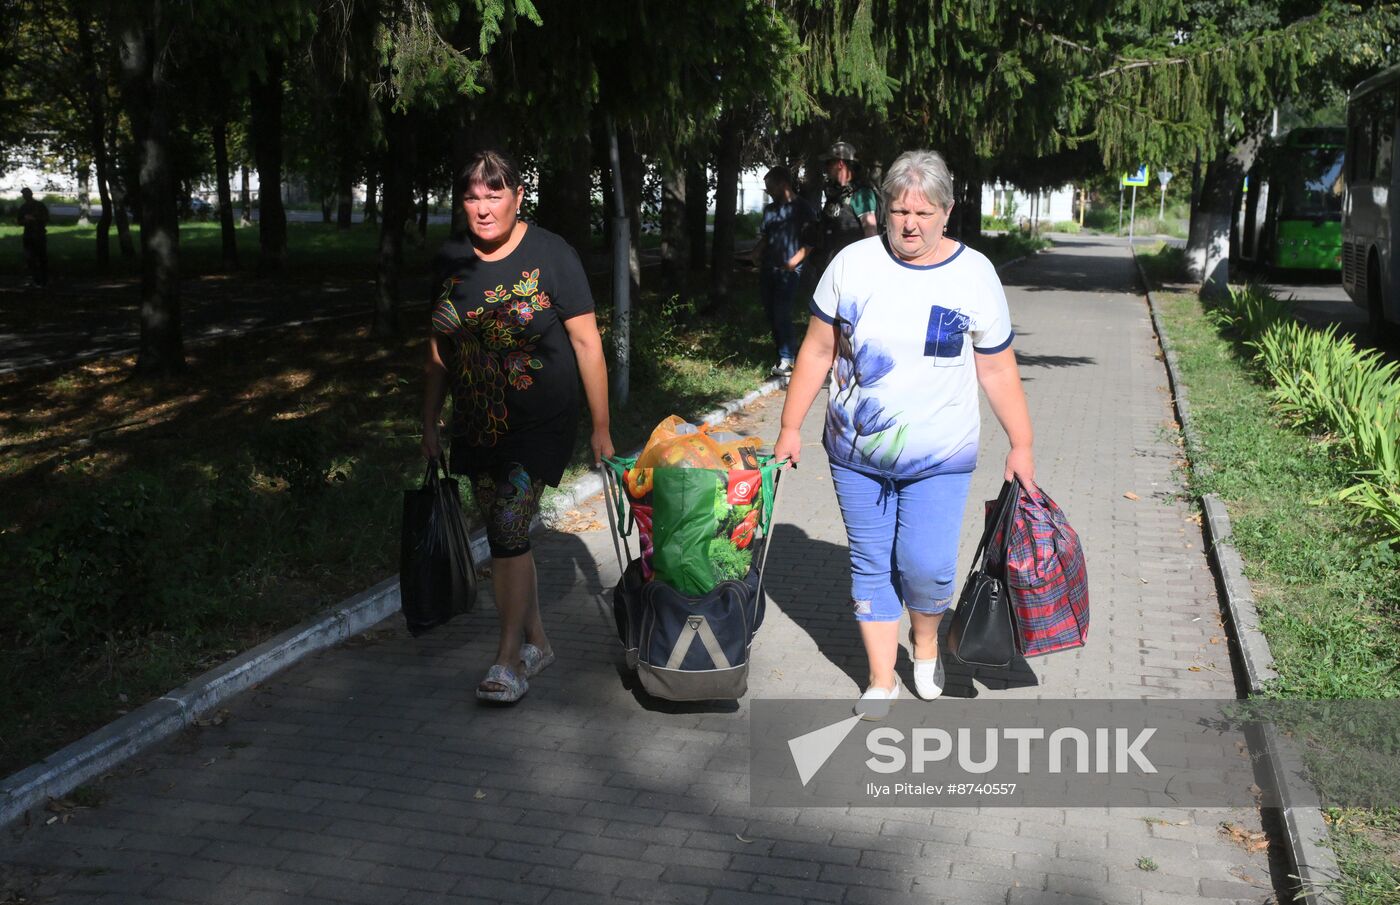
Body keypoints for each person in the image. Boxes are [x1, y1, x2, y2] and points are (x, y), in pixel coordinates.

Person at [772, 149, 1035, 719]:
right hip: (853, 449)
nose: (909, 224)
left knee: (926, 564)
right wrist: (790, 426)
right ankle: (881, 679)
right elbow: (818, 349)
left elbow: (996, 366)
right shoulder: (852, 265)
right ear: (884, 210)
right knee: (870, 561)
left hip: (941, 453)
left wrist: (1022, 442)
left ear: (947, 211)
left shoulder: (974, 274)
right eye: (898, 210)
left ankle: (926, 642)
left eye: (923, 211)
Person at [422, 149, 613, 705]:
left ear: (518, 197)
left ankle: (508, 660)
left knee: (506, 523)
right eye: (472, 197)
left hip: (541, 421)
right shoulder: (451, 257)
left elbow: (586, 343)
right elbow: (438, 348)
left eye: (494, 195)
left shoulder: (552, 254)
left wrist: (600, 426)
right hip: (478, 421)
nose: (482, 209)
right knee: (507, 535)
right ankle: (537, 639)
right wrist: (429, 419)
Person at [750, 166, 818, 377]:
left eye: (771, 186)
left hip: (790, 272)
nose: (768, 190)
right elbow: (766, 236)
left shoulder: (804, 209)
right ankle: (781, 355)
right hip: (768, 269)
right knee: (771, 313)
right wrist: (756, 253)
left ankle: (788, 360)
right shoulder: (770, 210)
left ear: (783, 184)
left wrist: (792, 263)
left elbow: (811, 241)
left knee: (781, 312)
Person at [820, 141, 879, 261]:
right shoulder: (838, 194)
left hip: (852, 266)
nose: (826, 168)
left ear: (840, 164)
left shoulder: (862, 194)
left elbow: (871, 231)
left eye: (829, 163)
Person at [16, 188, 49, 287]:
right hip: (29, 235)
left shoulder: (39, 206)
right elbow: (19, 221)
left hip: (38, 234)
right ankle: (35, 278)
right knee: (30, 258)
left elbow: (46, 218)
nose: (25, 197)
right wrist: (25, 221)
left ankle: (43, 279)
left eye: (26, 194)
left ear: (30, 194)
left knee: (41, 257)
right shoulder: (24, 207)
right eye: (24, 195)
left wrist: (34, 219)